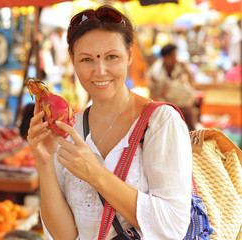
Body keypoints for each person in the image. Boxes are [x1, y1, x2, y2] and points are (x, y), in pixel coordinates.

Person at [27, 5, 192, 240]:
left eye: (111, 57)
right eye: (86, 59)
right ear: (73, 60)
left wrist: (96, 174)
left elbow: (173, 226)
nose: (100, 70)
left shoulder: (161, 122)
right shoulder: (70, 128)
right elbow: (64, 235)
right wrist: (44, 163)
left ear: (130, 55)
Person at [147, 43, 198, 131]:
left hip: (184, 104)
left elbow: (191, 82)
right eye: (173, 55)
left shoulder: (181, 66)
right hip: (167, 106)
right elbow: (152, 94)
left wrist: (187, 71)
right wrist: (161, 94)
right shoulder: (154, 72)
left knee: (192, 129)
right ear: (166, 57)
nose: (175, 58)